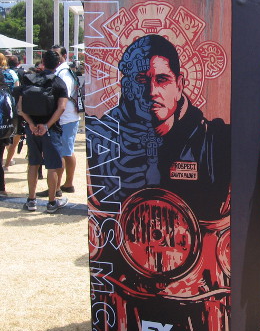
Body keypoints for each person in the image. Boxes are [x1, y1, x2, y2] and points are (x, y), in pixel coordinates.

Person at [86, 34, 230, 218]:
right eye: (141, 79)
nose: (152, 91)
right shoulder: (100, 138)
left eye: (162, 79)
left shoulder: (213, 141)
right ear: (126, 86)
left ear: (179, 85)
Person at [16, 50, 69, 213]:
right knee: (52, 166)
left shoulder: (29, 79)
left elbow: (20, 108)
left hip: (31, 128)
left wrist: (31, 124)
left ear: (43, 62)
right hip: (50, 129)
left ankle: (31, 200)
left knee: (33, 163)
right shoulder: (59, 83)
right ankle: (52, 202)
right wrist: (46, 126)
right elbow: (61, 107)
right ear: (58, 64)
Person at [36, 45, 80, 198]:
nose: (53, 57)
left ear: (64, 56)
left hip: (65, 118)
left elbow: (61, 96)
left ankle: (58, 187)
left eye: (56, 54)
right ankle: (64, 185)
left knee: (63, 152)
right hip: (66, 117)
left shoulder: (63, 73)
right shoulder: (62, 71)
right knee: (65, 151)